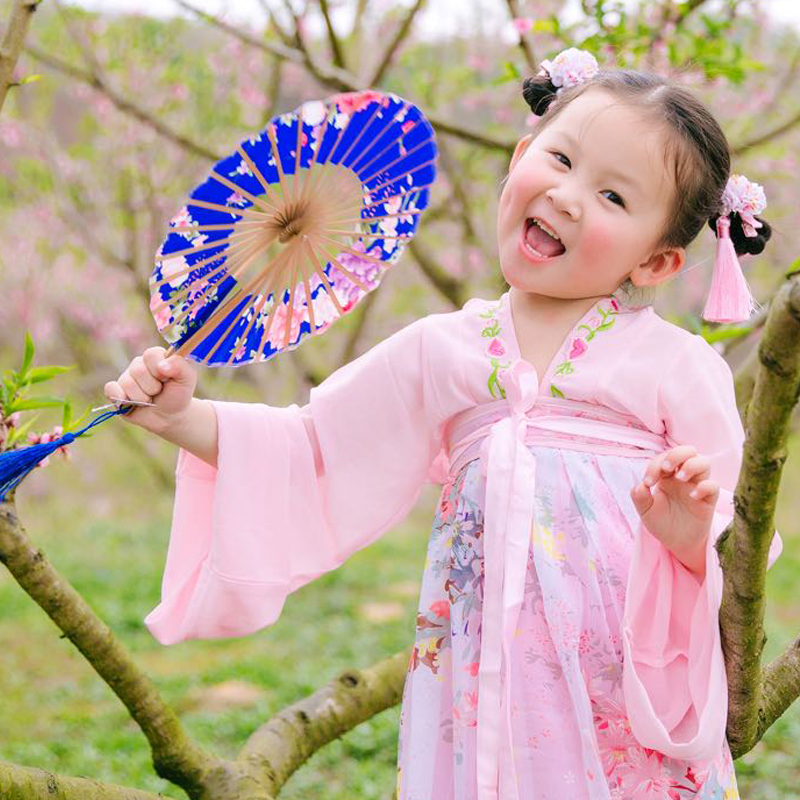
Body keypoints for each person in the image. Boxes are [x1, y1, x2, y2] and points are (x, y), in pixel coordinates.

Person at [105, 50, 783, 800]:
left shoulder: (676, 366)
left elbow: (737, 536)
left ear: (657, 261)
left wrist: (687, 539)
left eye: (614, 197)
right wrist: (181, 416)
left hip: (617, 686)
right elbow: (315, 447)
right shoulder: (444, 350)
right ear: (522, 155)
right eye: (559, 159)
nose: (567, 196)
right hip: (481, 676)